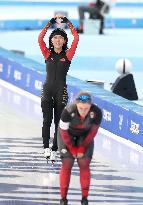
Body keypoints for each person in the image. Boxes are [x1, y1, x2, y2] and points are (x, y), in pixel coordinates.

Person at [38, 16, 79, 161]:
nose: (57, 40)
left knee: (58, 122)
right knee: (46, 120)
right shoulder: (47, 54)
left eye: (60, 38)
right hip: (47, 91)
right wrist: (50, 22)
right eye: (55, 38)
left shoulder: (68, 55)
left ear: (64, 41)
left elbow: (76, 38)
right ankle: (46, 148)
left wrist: (68, 22)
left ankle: (54, 149)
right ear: (51, 40)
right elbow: (39, 38)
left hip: (61, 91)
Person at [57, 91, 102, 205]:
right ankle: (63, 199)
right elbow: (63, 131)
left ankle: (84, 199)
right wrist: (72, 148)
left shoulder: (96, 112)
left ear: (90, 106)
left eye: (86, 108)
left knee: (84, 163)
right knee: (67, 162)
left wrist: (82, 147)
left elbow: (92, 133)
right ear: (76, 104)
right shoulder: (68, 111)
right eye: (81, 108)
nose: (83, 111)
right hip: (67, 135)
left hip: (85, 137)